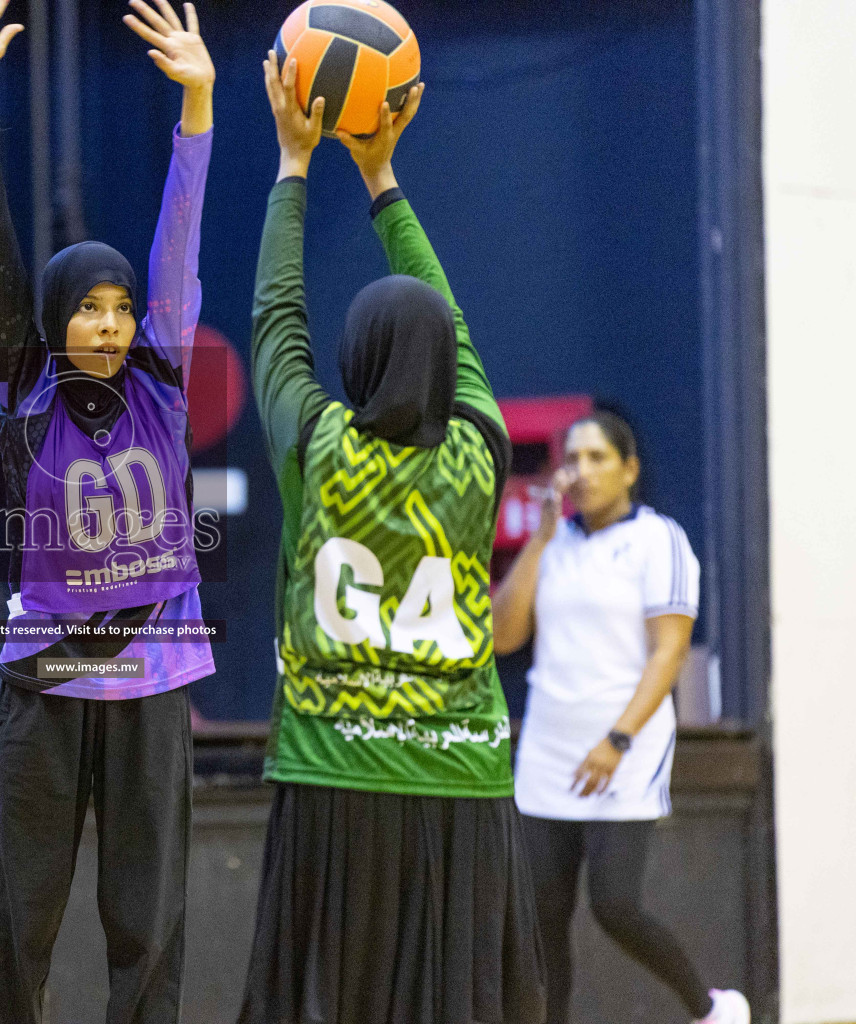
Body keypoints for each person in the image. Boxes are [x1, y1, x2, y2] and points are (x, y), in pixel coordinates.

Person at [235, 58, 546, 1024]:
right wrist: (385, 181)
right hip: (463, 775)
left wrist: (294, 165)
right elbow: (447, 318)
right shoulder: (479, 454)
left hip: (338, 773)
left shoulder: (316, 445)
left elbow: (274, 319)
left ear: (355, 360)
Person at [0, 1, 214, 1019]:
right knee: (22, 919)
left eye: (122, 307)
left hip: (153, 678)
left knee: (149, 922)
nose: (109, 323)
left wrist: (198, 102)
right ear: (56, 323)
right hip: (49, 678)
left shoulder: (165, 384)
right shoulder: (27, 389)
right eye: (90, 308)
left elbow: (178, 238)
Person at [492, 411, 751, 1024]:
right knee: (541, 918)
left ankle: (710, 1008)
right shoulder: (552, 547)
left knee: (615, 905)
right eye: (572, 459)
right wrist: (538, 540)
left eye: (597, 458)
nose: (580, 471)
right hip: (549, 754)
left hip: (624, 748)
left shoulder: (660, 540)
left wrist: (617, 738)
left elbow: (669, 651)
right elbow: (503, 637)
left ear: (629, 469)